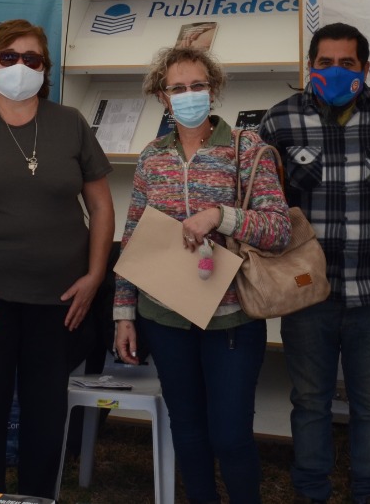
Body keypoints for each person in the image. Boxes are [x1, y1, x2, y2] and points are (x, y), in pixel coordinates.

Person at [0, 19, 115, 498]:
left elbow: (100, 205)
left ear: (44, 69)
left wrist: (95, 276)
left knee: (45, 413)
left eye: (32, 59)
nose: (20, 66)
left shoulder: (70, 123)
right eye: (9, 57)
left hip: (60, 300)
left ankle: (36, 499)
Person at [114, 45, 290, 504]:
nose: (189, 95)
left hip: (231, 319)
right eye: (178, 88)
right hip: (165, 318)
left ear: (213, 91)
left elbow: (278, 229)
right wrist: (124, 313)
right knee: (188, 434)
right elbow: (132, 234)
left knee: (230, 437)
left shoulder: (247, 149)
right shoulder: (152, 157)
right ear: (162, 97)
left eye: (197, 86)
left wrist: (220, 216)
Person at [258, 22, 370, 504]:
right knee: (309, 403)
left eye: (348, 63)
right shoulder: (279, 121)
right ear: (310, 67)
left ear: (365, 67)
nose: (336, 71)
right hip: (307, 294)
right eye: (325, 63)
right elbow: (264, 208)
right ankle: (312, 493)